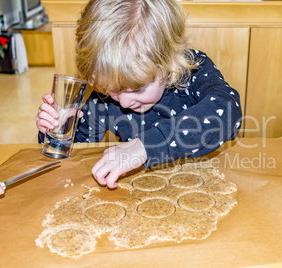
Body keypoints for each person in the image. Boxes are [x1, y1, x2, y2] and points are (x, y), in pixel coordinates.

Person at [36, 0, 242, 189]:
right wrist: (58, 130)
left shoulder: (193, 69)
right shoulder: (102, 99)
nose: (124, 102)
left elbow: (227, 110)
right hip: (143, 190)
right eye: (110, 90)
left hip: (199, 182)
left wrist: (145, 147)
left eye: (138, 88)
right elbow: (80, 150)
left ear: (170, 62)